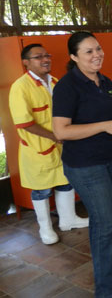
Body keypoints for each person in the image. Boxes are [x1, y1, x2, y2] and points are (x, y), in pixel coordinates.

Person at [52, 32, 112, 297]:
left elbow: (109, 113)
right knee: (106, 223)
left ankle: (108, 266)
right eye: (88, 51)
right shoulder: (67, 87)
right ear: (74, 57)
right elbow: (61, 131)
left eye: (97, 48)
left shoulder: (103, 80)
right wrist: (105, 126)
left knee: (102, 219)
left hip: (109, 159)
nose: (96, 54)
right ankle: (107, 291)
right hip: (85, 165)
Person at [9, 44, 88, 245]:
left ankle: (68, 220)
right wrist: (55, 136)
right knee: (41, 189)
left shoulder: (55, 82)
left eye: (47, 55)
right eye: (38, 57)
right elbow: (25, 123)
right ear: (25, 62)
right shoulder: (20, 87)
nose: (45, 59)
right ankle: (45, 229)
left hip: (62, 144)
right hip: (38, 149)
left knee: (65, 181)